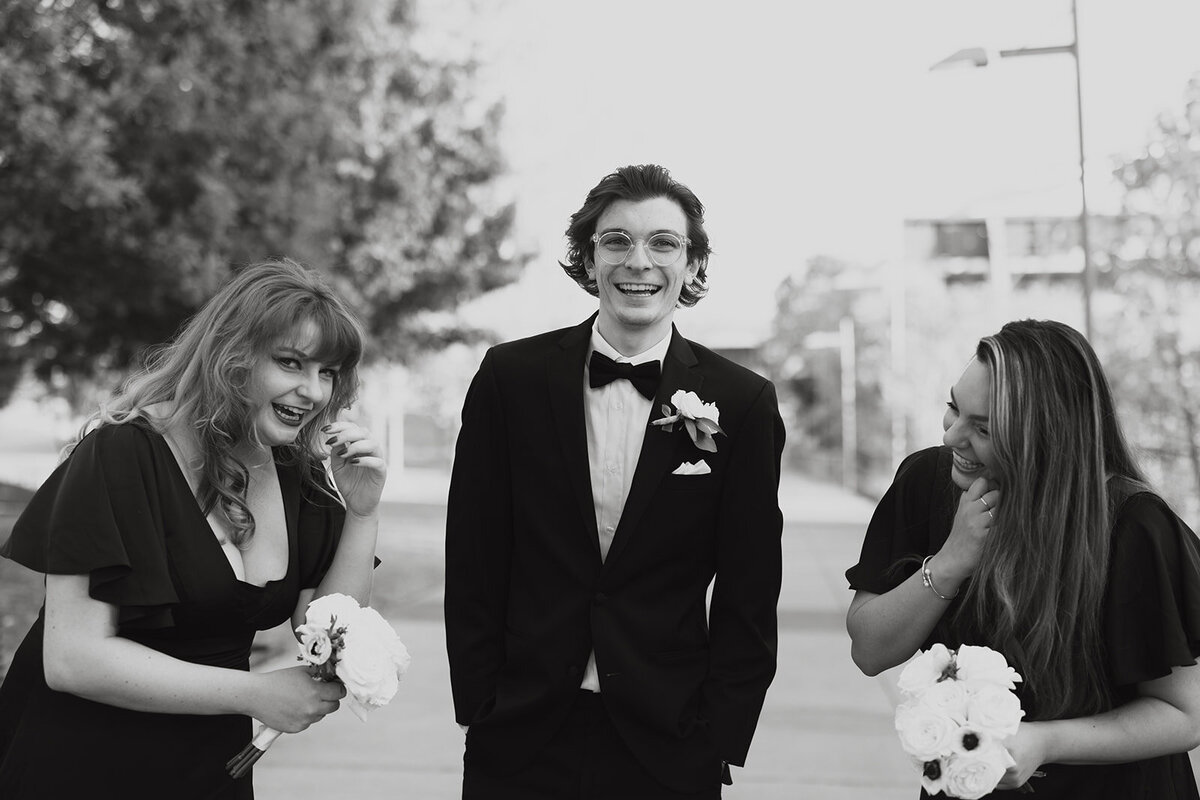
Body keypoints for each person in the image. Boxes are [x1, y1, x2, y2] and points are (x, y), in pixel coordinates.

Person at [444, 164, 785, 799]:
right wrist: (481, 705)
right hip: (520, 732)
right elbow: (473, 557)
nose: (640, 261)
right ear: (589, 256)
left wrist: (719, 736)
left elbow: (750, 589)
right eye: (617, 240)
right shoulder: (508, 379)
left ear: (690, 264)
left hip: (669, 740)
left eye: (663, 242)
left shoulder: (741, 403)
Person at [0, 259, 386, 799]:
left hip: (208, 768)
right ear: (233, 354)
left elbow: (324, 633)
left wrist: (363, 512)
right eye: (291, 363)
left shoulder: (298, 473)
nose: (314, 391)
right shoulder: (122, 453)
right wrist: (254, 692)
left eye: (327, 373)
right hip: (80, 763)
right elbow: (73, 659)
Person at [846, 318, 1200, 799]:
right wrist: (951, 561)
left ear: (1048, 438)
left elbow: (1185, 714)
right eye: (954, 408)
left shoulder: (1133, 526)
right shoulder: (926, 483)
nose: (952, 437)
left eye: (985, 429)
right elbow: (869, 649)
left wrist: (1044, 741)